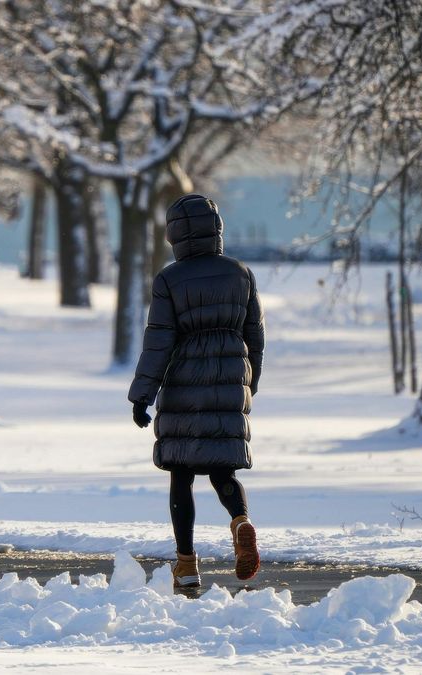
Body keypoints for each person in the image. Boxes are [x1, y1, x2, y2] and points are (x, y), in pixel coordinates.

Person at [128, 193, 265, 590]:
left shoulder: (169, 279)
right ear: (216, 229)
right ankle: (240, 520)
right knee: (224, 468)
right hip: (229, 378)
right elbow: (254, 334)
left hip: (183, 382)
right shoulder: (240, 273)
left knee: (181, 474)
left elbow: (159, 341)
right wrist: (248, 382)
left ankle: (186, 564)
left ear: (174, 236)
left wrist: (142, 396)